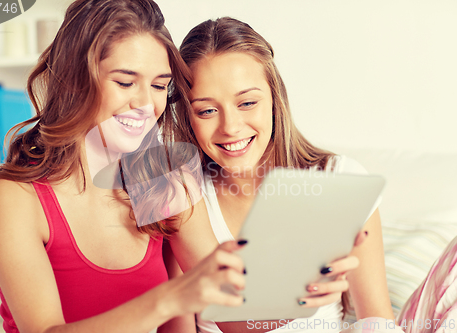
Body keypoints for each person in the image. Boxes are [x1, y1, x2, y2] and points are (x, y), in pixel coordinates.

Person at [174, 17, 457, 333]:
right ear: (188, 114)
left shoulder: (339, 180)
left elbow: (375, 319)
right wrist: (298, 297)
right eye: (207, 110)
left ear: (274, 100)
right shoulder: (181, 196)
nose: (230, 126)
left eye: (248, 102)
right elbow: (214, 320)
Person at [0, 2, 246, 332]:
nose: (146, 105)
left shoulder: (166, 180)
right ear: (75, 79)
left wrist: (312, 289)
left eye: (159, 85)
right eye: (125, 83)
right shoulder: (15, 196)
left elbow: (236, 316)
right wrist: (168, 299)